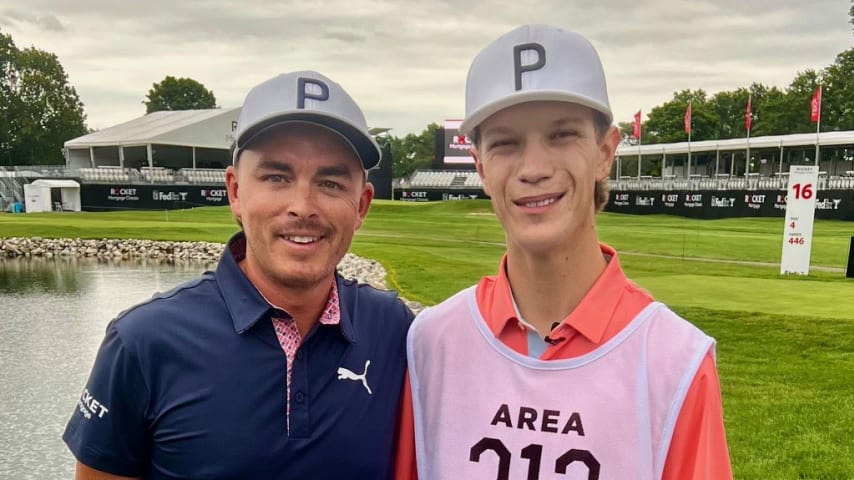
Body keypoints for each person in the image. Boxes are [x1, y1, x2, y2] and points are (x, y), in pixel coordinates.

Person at [398, 25, 732, 479]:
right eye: (505, 143)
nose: (533, 169)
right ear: (479, 166)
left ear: (605, 152)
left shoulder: (676, 361)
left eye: (562, 135)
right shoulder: (431, 343)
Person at [63, 71, 413, 479]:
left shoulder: (394, 330)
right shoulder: (142, 342)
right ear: (235, 192)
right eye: (276, 177)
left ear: (362, 206)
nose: (303, 205)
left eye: (331, 182)